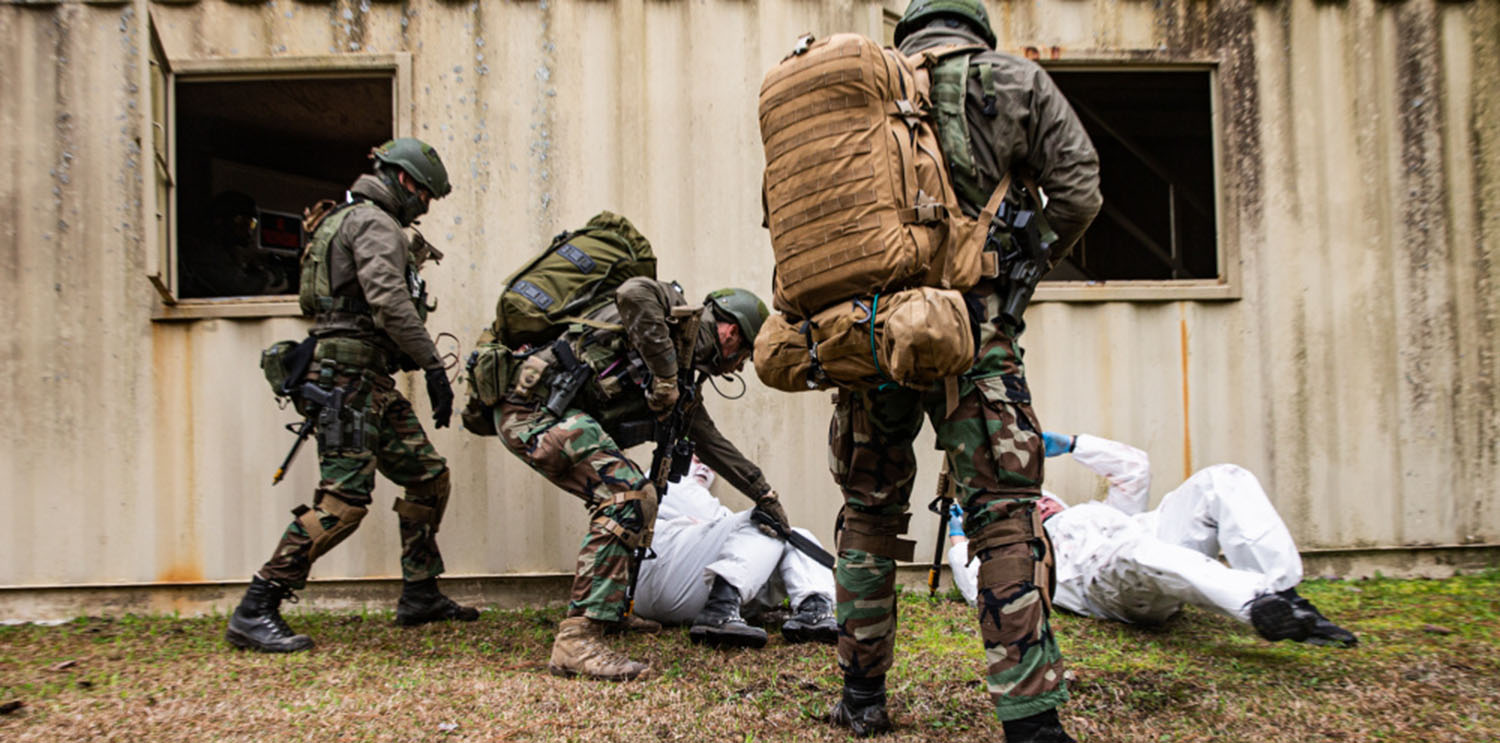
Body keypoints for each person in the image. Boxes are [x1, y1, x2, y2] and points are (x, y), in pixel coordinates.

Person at [825, 1, 1101, 739]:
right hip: (977, 335)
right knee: (1004, 514)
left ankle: (860, 697)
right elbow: (1079, 191)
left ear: (909, 30)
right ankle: (1031, 720)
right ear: (976, 27)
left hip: (874, 335)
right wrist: (1017, 262)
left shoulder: (859, 89)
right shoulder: (1015, 81)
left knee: (869, 513)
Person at [225, 138, 476, 653]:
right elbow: (387, 300)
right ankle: (258, 605)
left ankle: (421, 593)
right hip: (348, 380)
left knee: (428, 479)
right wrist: (431, 365)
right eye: (425, 194)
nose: (425, 206)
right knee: (343, 503)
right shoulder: (374, 223)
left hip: (368, 378)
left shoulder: (343, 219)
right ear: (405, 181)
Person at [494, 276, 790, 681]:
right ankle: (576, 640)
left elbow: (713, 444)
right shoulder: (672, 318)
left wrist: (765, 496)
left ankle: (611, 611)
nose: (738, 366)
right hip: (531, 410)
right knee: (627, 495)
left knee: (644, 495)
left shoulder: (684, 377)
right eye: (743, 355)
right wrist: (665, 376)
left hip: (557, 416)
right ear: (731, 332)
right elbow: (633, 292)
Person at [947, 432, 1358, 647]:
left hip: (1148, 538)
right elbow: (975, 586)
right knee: (1140, 551)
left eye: (1042, 501)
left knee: (1222, 479)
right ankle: (1256, 604)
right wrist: (959, 534)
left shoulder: (1096, 513)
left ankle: (1283, 592)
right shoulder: (1023, 555)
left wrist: (1072, 444)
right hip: (1106, 581)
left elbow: (1133, 468)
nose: (1039, 507)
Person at [634, 458, 837, 648]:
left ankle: (815, 610)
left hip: (686, 590)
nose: (705, 467)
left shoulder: (707, 521)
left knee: (796, 535)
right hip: (658, 568)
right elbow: (723, 516)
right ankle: (720, 608)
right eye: (697, 459)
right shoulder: (667, 475)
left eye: (710, 465)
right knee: (767, 521)